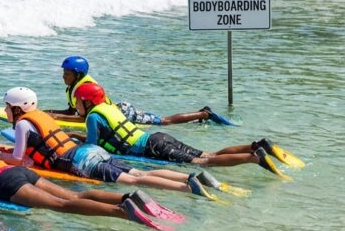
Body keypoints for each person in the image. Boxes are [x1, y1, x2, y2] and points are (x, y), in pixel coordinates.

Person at [0, 102, 181, 230]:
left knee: (61, 205)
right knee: (73, 195)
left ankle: (121, 213)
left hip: (3, 184)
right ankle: (127, 198)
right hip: (18, 171)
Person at [0, 87, 226, 200]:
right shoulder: (41, 116)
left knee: (132, 180)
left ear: (17, 108)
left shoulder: (22, 125)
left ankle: (187, 188)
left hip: (80, 161)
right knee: (138, 172)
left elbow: (18, 158)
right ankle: (188, 177)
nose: (6, 110)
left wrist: (1, 156)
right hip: (90, 151)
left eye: (7, 107)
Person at [72, 82, 294, 179]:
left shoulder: (92, 116)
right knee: (208, 154)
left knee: (203, 162)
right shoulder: (107, 108)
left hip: (152, 148)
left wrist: (74, 144)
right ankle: (257, 146)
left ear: (86, 101)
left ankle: (253, 158)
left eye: (78, 102)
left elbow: (93, 145)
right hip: (157, 138)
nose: (76, 106)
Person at [45, 55, 214, 126]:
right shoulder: (74, 86)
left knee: (164, 121)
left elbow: (84, 119)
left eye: (66, 73)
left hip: (122, 113)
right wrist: (48, 112)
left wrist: (55, 117)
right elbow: (72, 111)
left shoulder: (83, 88)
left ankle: (203, 114)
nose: (63, 77)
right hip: (118, 108)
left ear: (78, 74)